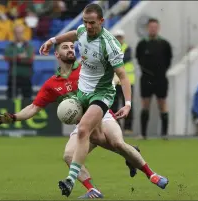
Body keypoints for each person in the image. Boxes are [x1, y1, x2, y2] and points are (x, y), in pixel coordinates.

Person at [0, 41, 169, 198]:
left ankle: (152, 174)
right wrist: (13, 117)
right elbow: (34, 107)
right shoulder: (51, 84)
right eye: (65, 47)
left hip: (102, 114)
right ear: (57, 54)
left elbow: (113, 74)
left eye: (72, 47)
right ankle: (93, 189)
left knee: (116, 142)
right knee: (68, 155)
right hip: (83, 125)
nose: (70, 49)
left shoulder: (87, 69)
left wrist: (114, 82)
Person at [39, 4, 168, 197]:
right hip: (83, 94)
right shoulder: (83, 30)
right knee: (100, 142)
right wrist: (52, 40)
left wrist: (128, 104)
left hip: (102, 94)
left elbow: (123, 76)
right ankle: (143, 173)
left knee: (84, 130)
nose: (88, 26)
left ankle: (70, 181)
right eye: (85, 22)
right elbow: (75, 33)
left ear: (101, 21)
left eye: (92, 23)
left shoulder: (110, 45)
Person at [136, 18, 173, 140]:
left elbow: (168, 61)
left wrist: (160, 72)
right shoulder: (142, 44)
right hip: (146, 79)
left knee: (162, 104)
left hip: (161, 78)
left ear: (158, 28)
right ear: (148, 28)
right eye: (151, 27)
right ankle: (143, 134)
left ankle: (164, 133)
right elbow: (139, 60)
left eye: (155, 27)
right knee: (145, 104)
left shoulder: (164, 44)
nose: (153, 29)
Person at [111, 29, 135, 135]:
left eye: (120, 37)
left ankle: (128, 127)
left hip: (127, 81)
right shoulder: (110, 49)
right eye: (116, 37)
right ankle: (116, 126)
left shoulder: (127, 48)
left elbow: (125, 59)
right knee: (114, 105)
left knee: (128, 104)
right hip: (114, 82)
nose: (118, 39)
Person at [4, 24, 34, 99]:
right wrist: (19, 57)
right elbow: (6, 57)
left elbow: (30, 59)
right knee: (11, 97)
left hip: (26, 75)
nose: (19, 35)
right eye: (17, 33)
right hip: (13, 75)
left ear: (23, 33)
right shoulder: (10, 46)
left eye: (20, 32)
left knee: (27, 98)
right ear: (14, 34)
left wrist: (15, 58)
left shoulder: (28, 46)